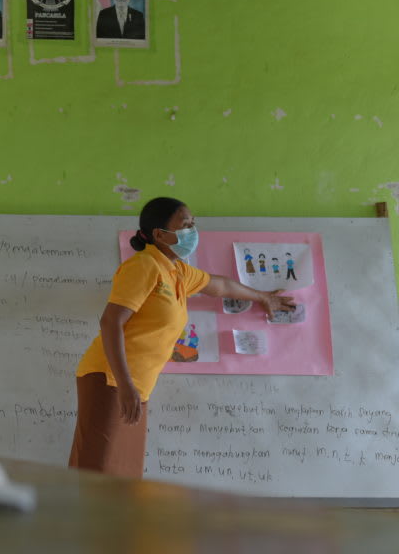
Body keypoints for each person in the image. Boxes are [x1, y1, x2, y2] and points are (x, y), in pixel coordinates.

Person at [68, 197, 295, 477]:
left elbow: (220, 285)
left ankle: (112, 522)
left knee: (123, 473)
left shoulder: (176, 271)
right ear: (159, 234)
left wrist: (264, 298)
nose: (192, 231)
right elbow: (111, 321)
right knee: (96, 471)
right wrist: (126, 385)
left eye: (193, 224)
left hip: (136, 386)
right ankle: (80, 522)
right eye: (185, 225)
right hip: (111, 378)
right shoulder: (144, 266)